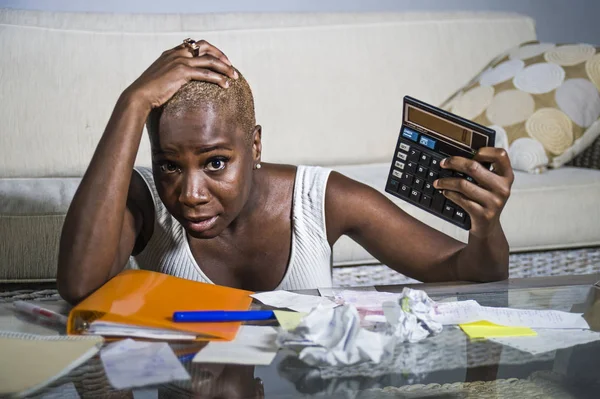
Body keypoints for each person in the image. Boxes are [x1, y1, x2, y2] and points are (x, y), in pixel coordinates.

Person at [57, 39, 514, 304]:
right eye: (170, 166)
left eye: (216, 162)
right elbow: (79, 285)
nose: (190, 193)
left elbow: (475, 273)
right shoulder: (142, 200)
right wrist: (132, 102)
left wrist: (486, 228)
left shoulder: (321, 199)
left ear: (254, 144)